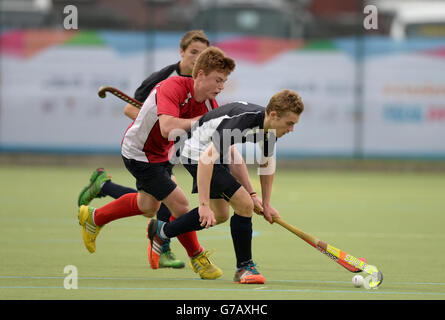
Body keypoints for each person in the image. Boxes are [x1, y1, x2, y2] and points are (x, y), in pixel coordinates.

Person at [77, 47, 238, 280]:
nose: (221, 86)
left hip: (163, 154)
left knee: (147, 206)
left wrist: (248, 192)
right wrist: (202, 122)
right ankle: (198, 257)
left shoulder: (210, 104)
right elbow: (167, 128)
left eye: (224, 81)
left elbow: (214, 143)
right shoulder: (172, 87)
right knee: (180, 206)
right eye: (218, 80)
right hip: (140, 153)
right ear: (200, 74)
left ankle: (94, 218)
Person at [147, 90, 305, 284]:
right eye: (290, 123)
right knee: (243, 205)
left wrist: (264, 201)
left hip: (217, 153)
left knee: (220, 214)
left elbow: (265, 165)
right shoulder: (241, 123)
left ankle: (162, 232)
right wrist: (203, 205)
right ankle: (244, 268)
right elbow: (206, 161)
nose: (291, 129)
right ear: (273, 115)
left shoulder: (270, 130)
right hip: (196, 152)